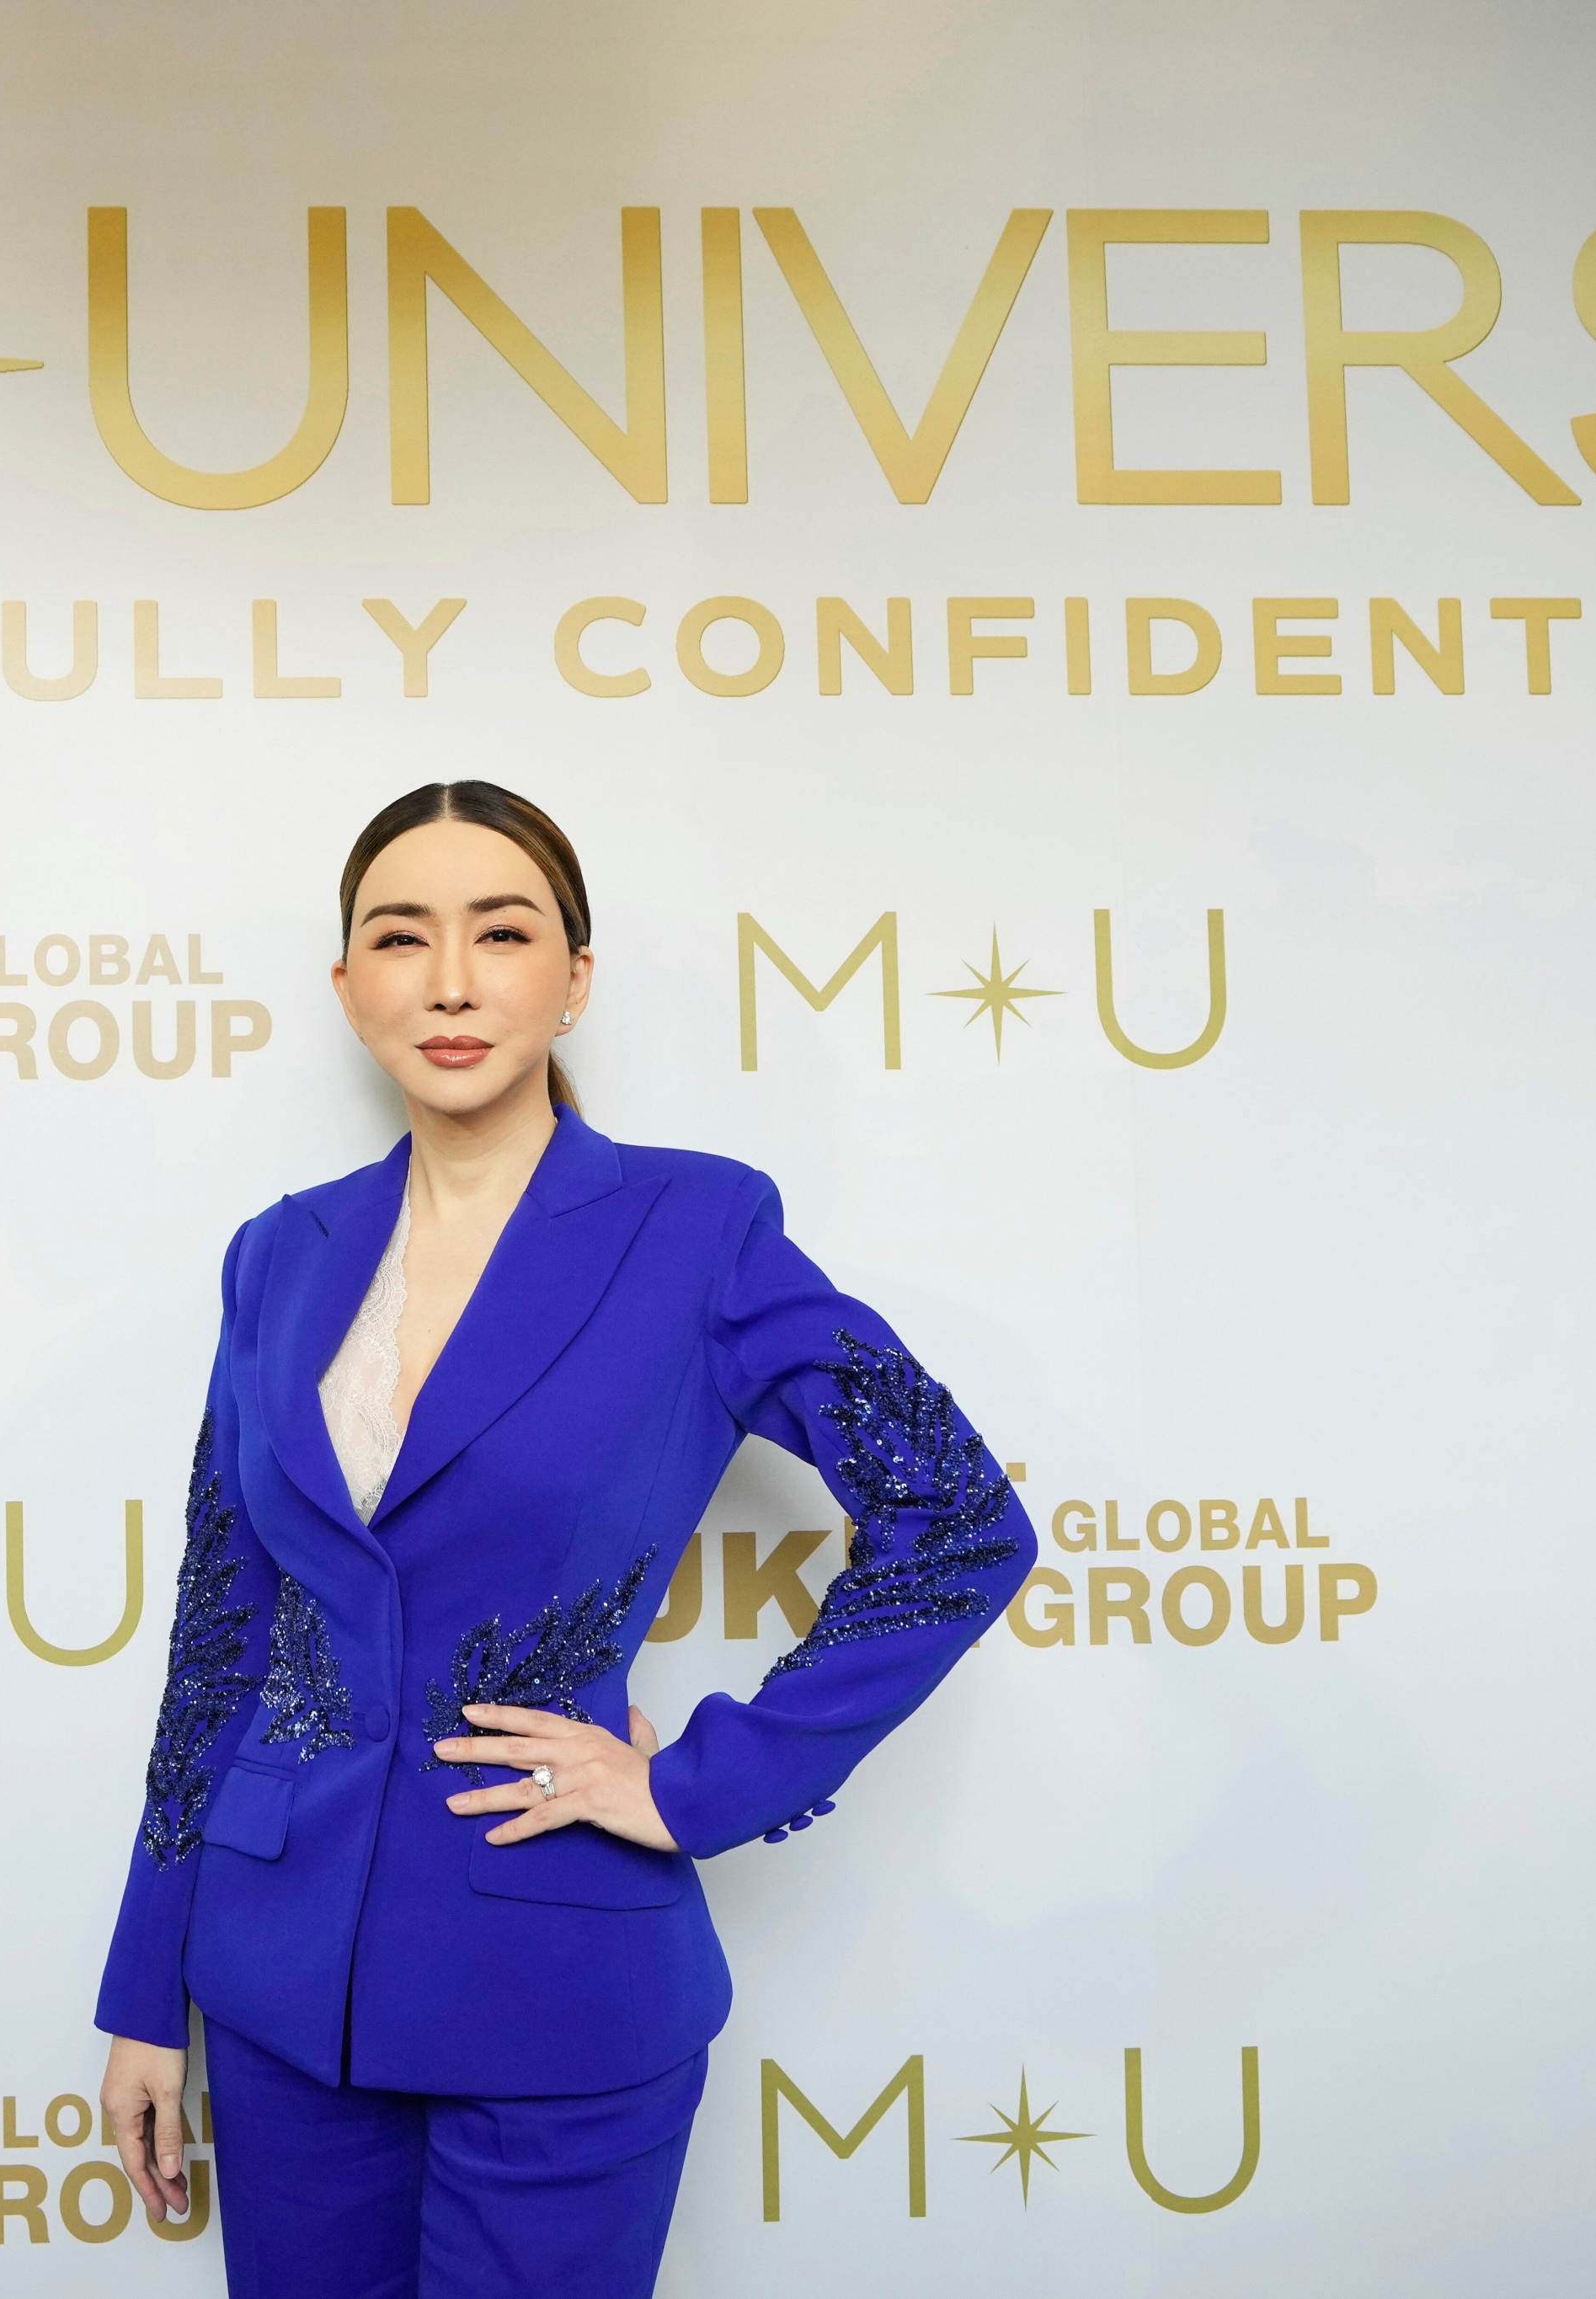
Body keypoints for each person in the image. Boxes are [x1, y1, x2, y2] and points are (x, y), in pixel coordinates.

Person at [94, 781, 1036, 2298]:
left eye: (503, 930)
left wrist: (701, 1782)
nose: (451, 978)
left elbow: (958, 1522)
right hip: (273, 1993)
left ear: (575, 977)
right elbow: (224, 1632)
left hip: (558, 1985)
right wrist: (148, 1986)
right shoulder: (279, 1254)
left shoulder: (699, 1228)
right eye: (401, 937)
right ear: (349, 989)